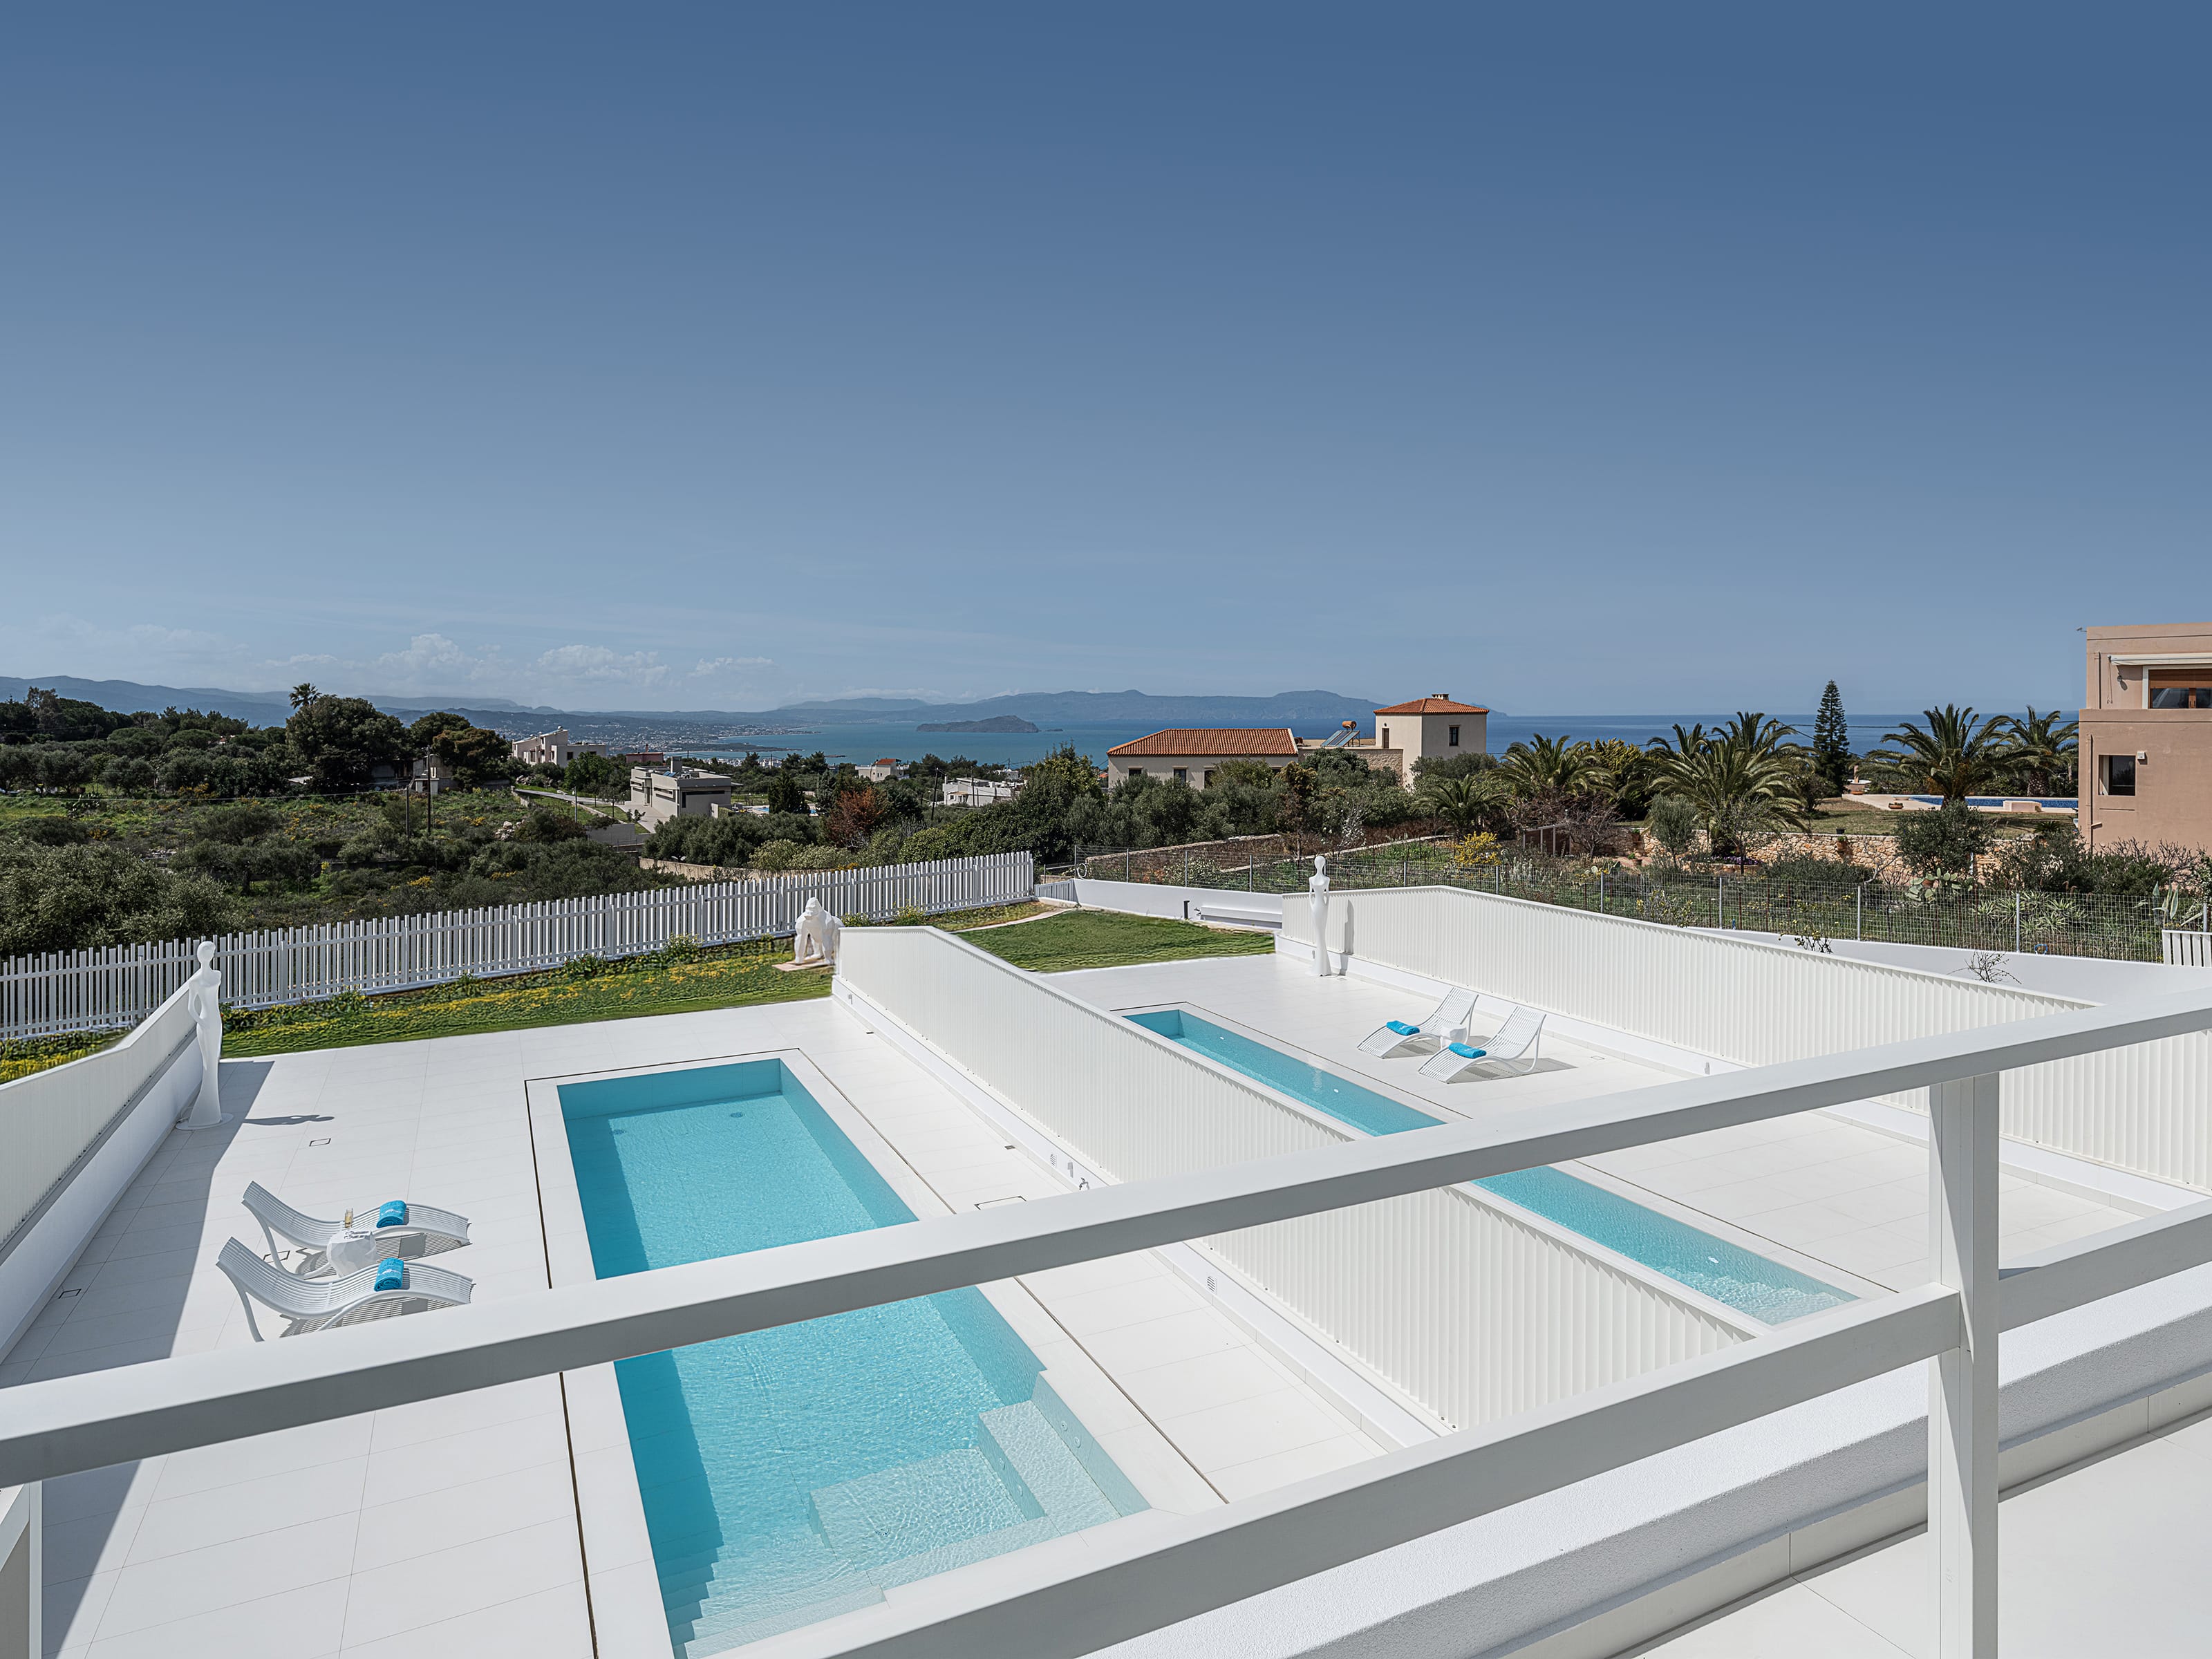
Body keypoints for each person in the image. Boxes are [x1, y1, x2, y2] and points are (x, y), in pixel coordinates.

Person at [1308, 854, 1333, 977]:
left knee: (1322, 934)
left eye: (1321, 863)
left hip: (1323, 907)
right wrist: (1311, 906)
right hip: (1316, 907)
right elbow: (1310, 896)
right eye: (1317, 863)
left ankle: (1323, 967)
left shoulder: (1327, 879)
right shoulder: (1311, 879)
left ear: (1323, 864)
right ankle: (1320, 966)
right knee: (1318, 934)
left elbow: (1328, 895)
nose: (1319, 865)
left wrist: (1327, 906)